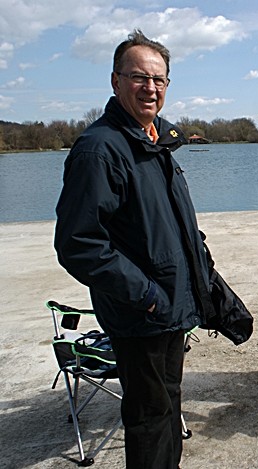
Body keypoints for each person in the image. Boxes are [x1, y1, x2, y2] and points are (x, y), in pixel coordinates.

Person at [54, 30, 210, 468]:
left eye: (159, 80)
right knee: (149, 415)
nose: (151, 88)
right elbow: (78, 244)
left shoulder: (156, 142)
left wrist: (205, 279)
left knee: (169, 405)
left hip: (170, 307)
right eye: (139, 77)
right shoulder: (100, 150)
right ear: (115, 81)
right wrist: (145, 295)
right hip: (139, 312)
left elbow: (173, 228)